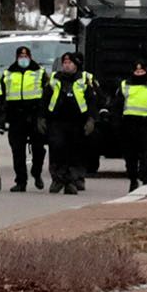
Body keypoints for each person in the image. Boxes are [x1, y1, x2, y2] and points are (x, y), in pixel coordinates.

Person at [45, 53, 99, 195]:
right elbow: (44, 99)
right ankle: (57, 179)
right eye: (65, 63)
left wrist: (91, 119)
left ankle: (72, 181)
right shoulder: (54, 79)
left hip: (77, 122)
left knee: (75, 151)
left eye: (70, 63)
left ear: (76, 65)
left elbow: (92, 101)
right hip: (57, 121)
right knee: (57, 149)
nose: (67, 65)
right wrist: (41, 117)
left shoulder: (84, 80)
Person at [0, 47, 48, 191]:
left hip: (34, 116)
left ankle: (36, 173)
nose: (23, 58)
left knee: (38, 149)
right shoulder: (8, 74)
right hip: (16, 117)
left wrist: (43, 116)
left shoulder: (40, 73)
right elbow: (1, 97)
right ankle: (21, 181)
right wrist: (2, 117)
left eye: (25, 55)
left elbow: (47, 95)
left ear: (30, 57)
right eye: (20, 55)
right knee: (17, 151)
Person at [115, 61, 147, 188]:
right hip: (129, 125)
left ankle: (146, 179)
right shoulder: (125, 86)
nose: (139, 74)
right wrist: (117, 124)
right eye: (137, 71)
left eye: (142, 72)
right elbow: (117, 107)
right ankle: (133, 179)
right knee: (130, 156)